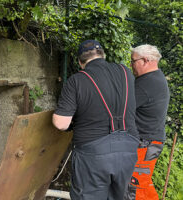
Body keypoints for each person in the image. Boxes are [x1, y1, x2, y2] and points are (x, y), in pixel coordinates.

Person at [52, 40, 139, 200]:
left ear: (80, 62)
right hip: (129, 149)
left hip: (94, 154)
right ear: (102, 55)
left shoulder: (77, 80)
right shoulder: (125, 72)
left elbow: (61, 123)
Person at [124, 45, 170, 200]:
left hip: (146, 143)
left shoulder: (147, 83)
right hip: (149, 141)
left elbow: (122, 107)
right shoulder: (155, 78)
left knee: (136, 184)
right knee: (139, 182)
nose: (131, 65)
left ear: (145, 61)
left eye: (133, 61)